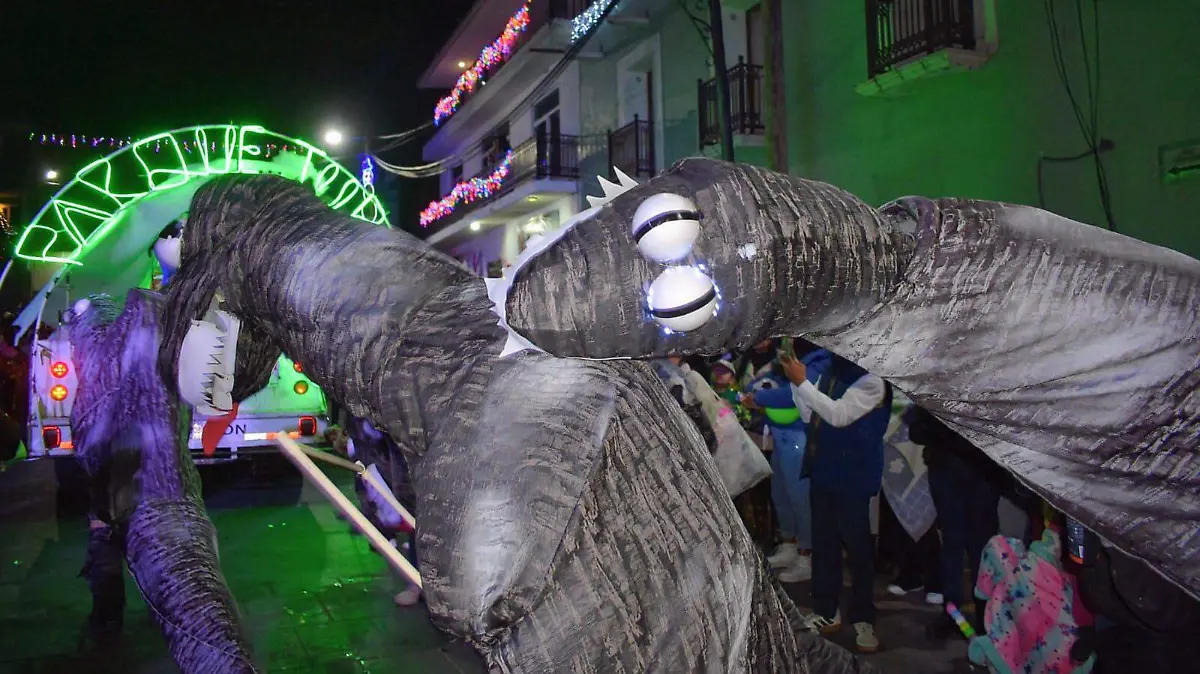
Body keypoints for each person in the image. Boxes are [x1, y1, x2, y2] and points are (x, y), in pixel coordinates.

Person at [780, 351, 889, 654]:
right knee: (824, 545)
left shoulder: (873, 380)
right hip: (825, 471)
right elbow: (809, 415)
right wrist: (795, 384)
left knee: (858, 551)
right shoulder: (832, 373)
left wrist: (802, 383)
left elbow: (839, 415)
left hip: (852, 477)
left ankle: (864, 617)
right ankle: (826, 610)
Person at [909, 406, 1003, 639]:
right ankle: (951, 612)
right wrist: (940, 429)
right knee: (952, 544)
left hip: (982, 472)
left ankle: (985, 618)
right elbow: (917, 431)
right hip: (946, 469)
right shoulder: (939, 382)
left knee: (981, 547)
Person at [742, 348, 832, 583]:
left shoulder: (821, 360)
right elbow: (766, 380)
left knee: (799, 499)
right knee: (780, 495)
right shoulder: (792, 356)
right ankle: (789, 544)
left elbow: (793, 394)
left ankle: (806, 555)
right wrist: (752, 390)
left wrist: (758, 398)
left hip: (799, 437)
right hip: (780, 437)